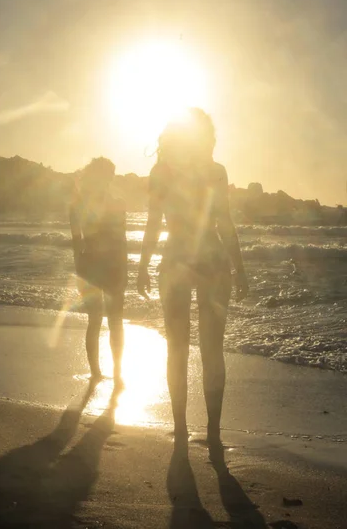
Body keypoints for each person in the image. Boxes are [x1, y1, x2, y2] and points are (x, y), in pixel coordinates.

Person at [137, 108, 248, 462]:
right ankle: (212, 436)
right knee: (210, 350)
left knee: (178, 350)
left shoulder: (162, 172)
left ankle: (183, 431)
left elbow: (155, 224)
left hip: (177, 262)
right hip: (213, 262)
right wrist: (239, 268)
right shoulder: (215, 172)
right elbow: (224, 223)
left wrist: (143, 265)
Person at [69, 157, 127, 388]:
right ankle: (96, 372)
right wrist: (78, 272)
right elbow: (76, 242)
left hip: (112, 265)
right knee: (96, 320)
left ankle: (117, 372)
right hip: (91, 267)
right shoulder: (78, 206)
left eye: (111, 175)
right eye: (107, 175)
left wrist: (125, 269)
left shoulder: (116, 203)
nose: (109, 179)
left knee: (115, 320)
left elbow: (121, 239)